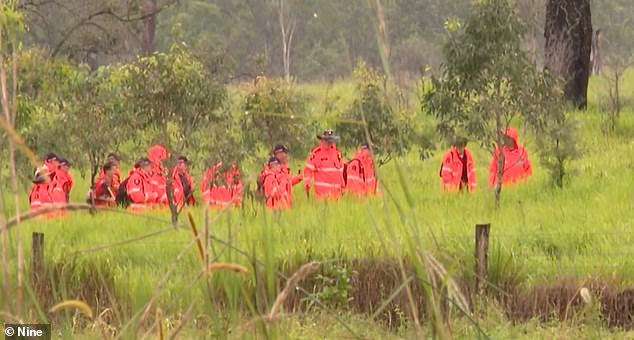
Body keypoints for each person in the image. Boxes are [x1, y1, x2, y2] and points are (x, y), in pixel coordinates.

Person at [303, 130, 345, 200]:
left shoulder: (337, 153)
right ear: (323, 140)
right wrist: (307, 182)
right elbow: (308, 170)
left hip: (337, 196)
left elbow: (340, 171)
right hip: (322, 196)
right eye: (328, 140)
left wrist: (343, 186)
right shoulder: (317, 153)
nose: (330, 142)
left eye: (331, 140)